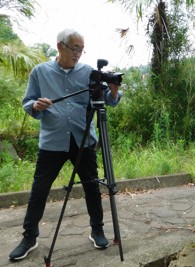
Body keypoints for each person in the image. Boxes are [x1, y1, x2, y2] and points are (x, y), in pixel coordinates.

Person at [9, 28, 122, 261]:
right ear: (60, 46)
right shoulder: (40, 72)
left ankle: (97, 230)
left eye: (82, 49)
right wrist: (36, 106)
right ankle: (29, 237)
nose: (79, 53)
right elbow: (27, 102)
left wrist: (113, 91)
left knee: (92, 186)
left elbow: (107, 102)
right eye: (75, 48)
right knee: (39, 190)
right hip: (52, 141)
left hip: (83, 140)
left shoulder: (88, 73)